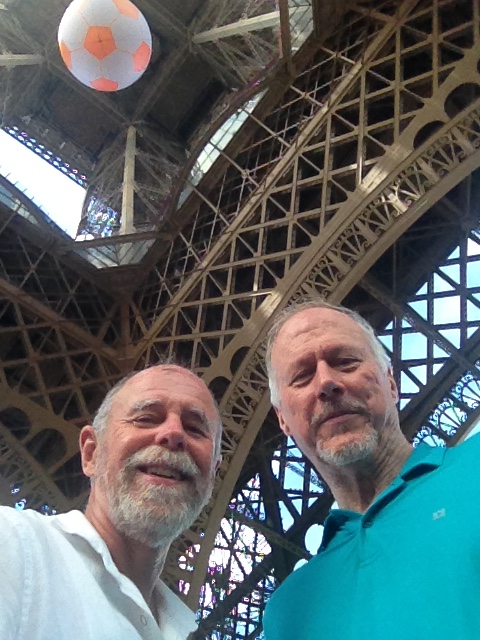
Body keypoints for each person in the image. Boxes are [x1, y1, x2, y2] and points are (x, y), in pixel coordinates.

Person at [262, 297, 480, 640]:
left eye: (345, 362)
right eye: (302, 377)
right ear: (283, 420)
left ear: (391, 383)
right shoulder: (288, 613)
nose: (326, 383)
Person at [0, 363, 222, 640]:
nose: (174, 434)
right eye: (146, 418)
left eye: (195, 428)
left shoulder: (186, 627)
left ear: (213, 475)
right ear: (91, 453)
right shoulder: (11, 544)